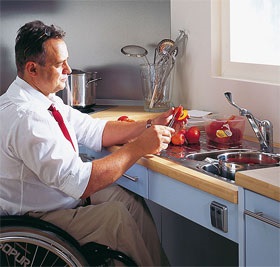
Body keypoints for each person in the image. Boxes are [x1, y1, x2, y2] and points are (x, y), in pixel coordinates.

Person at [0, 20, 175, 266]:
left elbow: (94, 130)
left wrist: (148, 126)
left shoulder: (41, 99)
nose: (69, 70)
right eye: (60, 64)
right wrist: (139, 147)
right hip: (36, 217)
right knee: (116, 218)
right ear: (32, 69)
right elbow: (80, 183)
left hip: (55, 199)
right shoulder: (27, 117)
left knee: (129, 201)